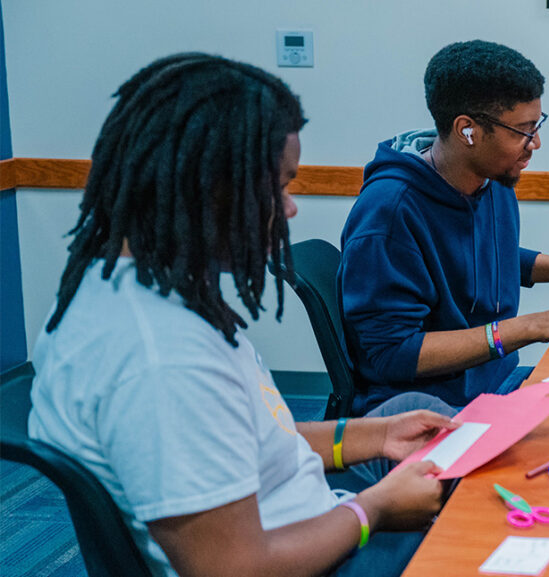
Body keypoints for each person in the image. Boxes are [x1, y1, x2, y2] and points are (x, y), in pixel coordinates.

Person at [28, 53, 459, 577]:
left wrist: (376, 435)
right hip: (295, 559)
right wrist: (374, 511)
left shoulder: (119, 288)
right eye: (280, 186)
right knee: (478, 532)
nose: (291, 208)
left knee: (414, 410)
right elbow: (233, 568)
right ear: (208, 185)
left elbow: (248, 441)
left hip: (291, 514)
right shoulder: (163, 360)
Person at [339, 40, 549, 414]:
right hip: (425, 410)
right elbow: (392, 354)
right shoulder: (389, 214)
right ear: (468, 131)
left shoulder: (489, 179)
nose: (536, 143)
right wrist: (536, 325)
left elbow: (478, 255)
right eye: (523, 130)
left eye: (537, 125)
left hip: (494, 384)